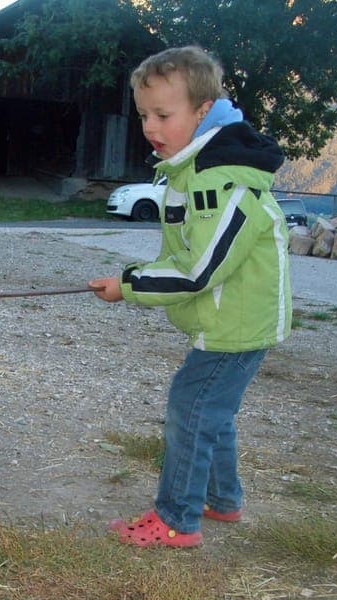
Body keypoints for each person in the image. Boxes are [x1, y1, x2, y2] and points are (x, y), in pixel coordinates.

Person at [89, 45, 292, 548]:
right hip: (227, 320)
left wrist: (129, 285)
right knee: (212, 411)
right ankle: (222, 501)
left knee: (192, 407)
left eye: (163, 114)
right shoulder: (192, 168)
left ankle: (177, 519)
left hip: (236, 324)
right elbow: (186, 253)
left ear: (203, 111)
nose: (151, 127)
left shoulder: (220, 181)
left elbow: (200, 270)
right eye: (143, 115)